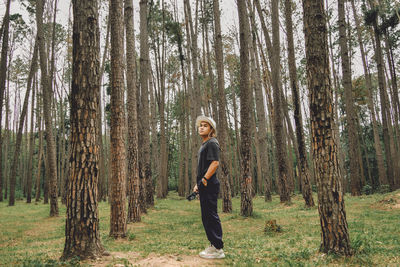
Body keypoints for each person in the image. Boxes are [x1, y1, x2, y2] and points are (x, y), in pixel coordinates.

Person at [193, 115, 225, 259]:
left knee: (211, 215)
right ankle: (213, 245)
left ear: (211, 129)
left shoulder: (212, 143)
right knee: (206, 216)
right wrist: (198, 184)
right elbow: (204, 167)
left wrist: (205, 179)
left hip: (210, 184)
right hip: (204, 184)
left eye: (205, 126)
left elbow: (215, 163)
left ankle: (218, 248)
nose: (201, 127)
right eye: (200, 125)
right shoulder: (204, 144)